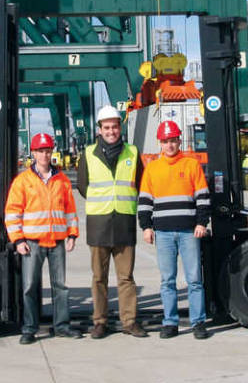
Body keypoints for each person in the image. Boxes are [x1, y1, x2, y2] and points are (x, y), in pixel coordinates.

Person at [77, 105, 147, 339]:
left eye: (114, 127)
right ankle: (100, 322)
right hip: (99, 223)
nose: (111, 131)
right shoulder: (88, 154)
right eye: (106, 127)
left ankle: (129, 322)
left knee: (126, 277)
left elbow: (140, 182)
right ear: (99, 130)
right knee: (99, 277)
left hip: (124, 221)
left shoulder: (133, 153)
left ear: (120, 127)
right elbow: (83, 186)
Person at [5, 133, 82, 345]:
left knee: (60, 286)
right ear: (34, 153)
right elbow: (13, 212)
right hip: (32, 242)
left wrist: (72, 234)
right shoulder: (23, 181)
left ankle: (62, 326)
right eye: (40, 151)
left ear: (52, 151)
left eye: (47, 150)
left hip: (57, 241)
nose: (44, 154)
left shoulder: (62, 180)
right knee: (30, 286)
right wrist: (18, 240)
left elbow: (70, 210)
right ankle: (29, 328)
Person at [137, 120, 211, 340]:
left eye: (173, 140)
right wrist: (146, 227)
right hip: (164, 233)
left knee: (194, 279)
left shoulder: (191, 165)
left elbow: (203, 197)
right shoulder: (152, 168)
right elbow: (145, 201)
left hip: (189, 231)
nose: (169, 145)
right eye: (165, 141)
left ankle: (198, 322)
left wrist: (201, 223)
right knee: (167, 280)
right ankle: (170, 322)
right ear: (160, 143)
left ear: (179, 140)